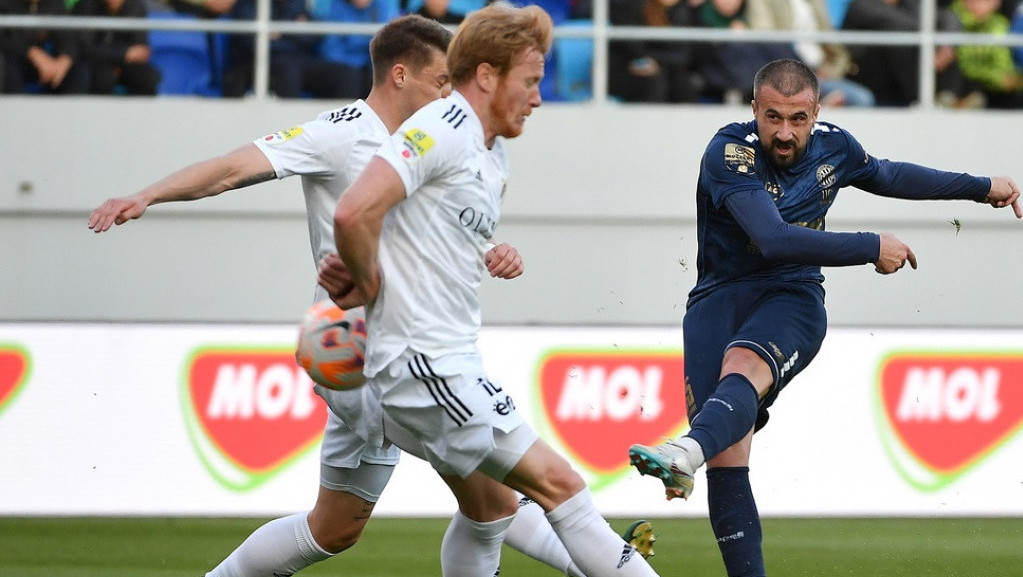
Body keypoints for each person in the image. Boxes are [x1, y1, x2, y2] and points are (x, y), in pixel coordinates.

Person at [88, 14, 648, 577]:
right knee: (496, 494)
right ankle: (596, 562)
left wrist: (491, 251)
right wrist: (147, 195)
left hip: (377, 353)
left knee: (334, 527)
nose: (449, 93)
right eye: (440, 81)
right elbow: (234, 168)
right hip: (360, 351)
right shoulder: (342, 133)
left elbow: (435, 234)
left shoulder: (453, 144)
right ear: (400, 75)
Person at [628, 58, 1020, 577]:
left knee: (742, 371)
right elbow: (772, 239)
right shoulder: (729, 153)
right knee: (728, 458)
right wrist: (871, 244)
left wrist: (979, 185)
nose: (784, 133)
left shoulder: (837, 147)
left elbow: (890, 174)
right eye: (772, 117)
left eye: (796, 119)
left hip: (792, 296)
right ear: (753, 110)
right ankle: (699, 457)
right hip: (716, 302)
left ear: (816, 112)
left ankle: (687, 448)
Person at [322, 4, 661, 577]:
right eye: (530, 81)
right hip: (423, 367)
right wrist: (372, 285)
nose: (538, 98)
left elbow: (414, 232)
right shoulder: (438, 130)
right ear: (486, 75)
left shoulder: (491, 152)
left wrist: (368, 280)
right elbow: (354, 211)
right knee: (561, 486)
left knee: (489, 510)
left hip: (443, 362)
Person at [746, 0, 876, 106]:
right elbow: (765, 38)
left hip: (820, 73)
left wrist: (829, 70)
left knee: (863, 99)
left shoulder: (815, 2)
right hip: (786, 73)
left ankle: (816, 107)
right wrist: (800, 72)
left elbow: (835, 48)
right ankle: (815, 106)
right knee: (860, 99)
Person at [72, 0, 162, 95]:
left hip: (126, 62)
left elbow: (140, 50)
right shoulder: (86, 6)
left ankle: (142, 110)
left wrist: (121, 59)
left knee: (147, 77)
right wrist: (123, 54)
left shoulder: (135, 6)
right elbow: (85, 48)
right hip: (95, 63)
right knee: (103, 77)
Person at [0, 0, 90, 94]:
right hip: (17, 61)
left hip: (46, 65)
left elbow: (68, 38)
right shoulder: (5, 3)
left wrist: (64, 60)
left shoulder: (54, 3)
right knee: (8, 66)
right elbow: (5, 39)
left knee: (80, 69)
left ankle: (72, 107)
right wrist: (31, 52)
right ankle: (15, 107)